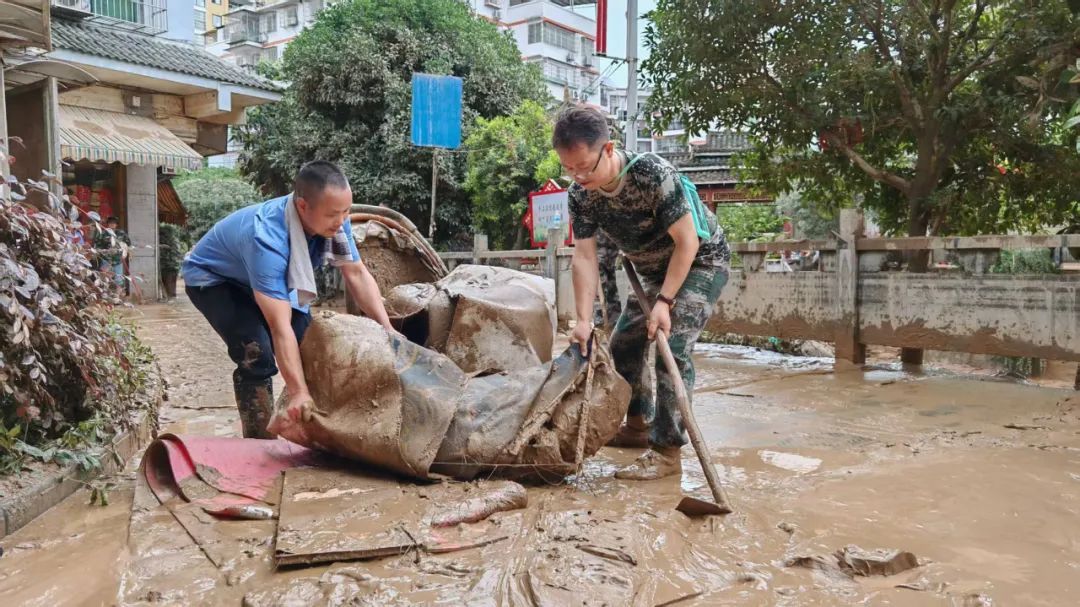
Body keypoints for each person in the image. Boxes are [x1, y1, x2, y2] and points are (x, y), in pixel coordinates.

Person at [554, 106, 731, 480]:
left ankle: (667, 451)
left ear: (608, 149)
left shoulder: (652, 174)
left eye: (584, 167)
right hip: (651, 271)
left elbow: (687, 241)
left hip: (701, 261)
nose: (578, 177)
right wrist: (583, 321)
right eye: (569, 169)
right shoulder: (580, 195)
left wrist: (665, 303)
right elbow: (584, 257)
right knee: (623, 344)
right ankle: (637, 425)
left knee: (673, 348)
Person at [182, 161, 395, 439]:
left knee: (310, 345)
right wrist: (298, 391)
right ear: (303, 206)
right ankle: (260, 441)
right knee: (257, 352)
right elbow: (279, 327)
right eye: (333, 214)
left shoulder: (335, 222)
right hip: (215, 280)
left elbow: (356, 274)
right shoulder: (266, 238)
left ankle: (314, 429)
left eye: (346, 211)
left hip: (263, 277)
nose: (342, 220)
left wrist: (388, 330)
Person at [93, 215, 130, 294]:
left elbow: (128, 244)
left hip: (118, 260)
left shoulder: (121, 233)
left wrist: (124, 252)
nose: (112, 224)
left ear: (116, 224)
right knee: (106, 278)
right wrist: (102, 251)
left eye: (114, 223)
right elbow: (97, 246)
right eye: (110, 223)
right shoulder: (103, 233)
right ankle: (105, 295)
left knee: (118, 279)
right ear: (108, 224)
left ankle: (117, 296)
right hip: (106, 259)